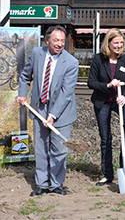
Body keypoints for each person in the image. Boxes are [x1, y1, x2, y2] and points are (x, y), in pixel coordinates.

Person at [17, 25, 79, 196]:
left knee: (59, 149)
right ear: (47, 40)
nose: (59, 44)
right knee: (41, 148)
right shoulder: (37, 54)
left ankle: (56, 184)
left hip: (62, 110)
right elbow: (24, 76)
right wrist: (23, 94)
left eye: (62, 41)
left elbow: (67, 93)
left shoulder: (72, 63)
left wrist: (52, 116)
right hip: (39, 107)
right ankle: (42, 184)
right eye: (55, 40)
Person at [87, 28, 125, 186]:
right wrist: (108, 85)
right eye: (116, 43)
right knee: (106, 138)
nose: (119, 46)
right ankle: (107, 174)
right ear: (108, 43)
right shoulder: (98, 59)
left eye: (121, 43)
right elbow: (91, 83)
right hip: (103, 101)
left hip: (120, 99)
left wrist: (124, 96)